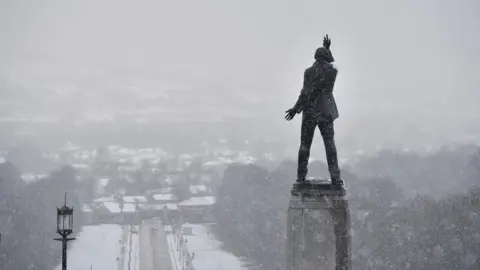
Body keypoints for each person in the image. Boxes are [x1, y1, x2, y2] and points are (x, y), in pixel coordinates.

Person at [285, 35, 344, 188]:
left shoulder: (309, 71)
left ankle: (301, 176)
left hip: (311, 112)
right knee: (330, 145)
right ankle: (335, 177)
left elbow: (306, 92)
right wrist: (328, 50)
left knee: (305, 145)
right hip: (326, 111)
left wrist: (296, 109)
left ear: (315, 58)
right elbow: (332, 63)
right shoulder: (332, 72)